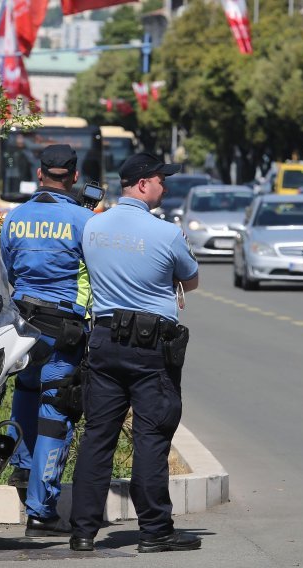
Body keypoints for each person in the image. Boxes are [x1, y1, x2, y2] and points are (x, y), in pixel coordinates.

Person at [69, 152, 201, 553]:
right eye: (162, 179)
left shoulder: (93, 227)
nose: (165, 186)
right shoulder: (166, 233)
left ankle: (83, 532)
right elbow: (191, 280)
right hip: (150, 349)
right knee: (151, 436)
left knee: (97, 438)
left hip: (105, 341)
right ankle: (155, 531)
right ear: (143, 183)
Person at [0, 144, 94, 537]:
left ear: (40, 175)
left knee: (24, 390)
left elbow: (6, 269)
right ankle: (41, 511)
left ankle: (21, 469)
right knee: (56, 410)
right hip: (63, 329)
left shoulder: (14, 218)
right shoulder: (83, 220)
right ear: (72, 177)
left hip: (22, 326)